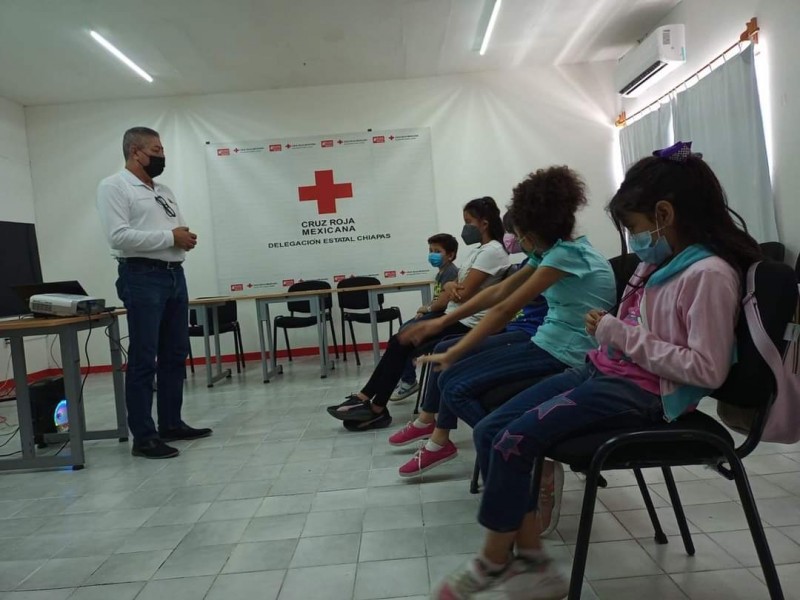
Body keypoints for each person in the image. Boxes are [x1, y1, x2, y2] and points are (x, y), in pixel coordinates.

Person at [430, 142, 763, 599]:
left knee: (510, 442)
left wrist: (617, 333)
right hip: (602, 370)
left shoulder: (707, 274)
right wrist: (614, 334)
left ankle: (496, 561)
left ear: (664, 215)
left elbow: (706, 370)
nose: (634, 239)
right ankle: (532, 564)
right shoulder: (660, 264)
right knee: (489, 431)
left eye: (634, 227)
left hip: (641, 392)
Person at [396, 167, 616, 512]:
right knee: (451, 377)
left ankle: (525, 456)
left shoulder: (566, 256)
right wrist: (444, 324)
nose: (517, 242)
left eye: (519, 235)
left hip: (568, 355)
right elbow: (499, 291)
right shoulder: (553, 252)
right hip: (547, 343)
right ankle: (522, 449)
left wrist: (450, 340)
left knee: (454, 384)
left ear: (532, 231)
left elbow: (503, 309)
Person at [327, 197, 510, 431]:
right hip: (457, 315)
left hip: (467, 322)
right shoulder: (480, 251)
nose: (465, 228)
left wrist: (451, 288)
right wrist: (449, 287)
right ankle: (368, 400)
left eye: (468, 222)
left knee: (403, 340)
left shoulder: (493, 251)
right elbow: (453, 286)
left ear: (484, 223)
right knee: (400, 339)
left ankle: (374, 407)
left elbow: (462, 293)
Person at [96, 126, 212, 459]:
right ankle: (144, 436)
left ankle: (171, 423)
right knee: (145, 358)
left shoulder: (163, 190)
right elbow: (118, 237)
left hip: (174, 275)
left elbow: (173, 229)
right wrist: (170, 239)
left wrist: (181, 239)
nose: (162, 157)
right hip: (142, 276)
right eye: (157, 150)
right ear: (135, 151)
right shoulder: (114, 187)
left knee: (176, 353)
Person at [389, 233, 459, 402]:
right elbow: (436, 298)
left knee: (406, 334)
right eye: (430, 250)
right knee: (404, 331)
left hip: (444, 318)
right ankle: (407, 376)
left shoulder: (450, 272)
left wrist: (426, 308)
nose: (432, 254)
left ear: (450, 255)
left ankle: (408, 380)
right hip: (435, 313)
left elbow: (442, 304)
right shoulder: (440, 273)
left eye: (437, 251)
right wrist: (425, 309)